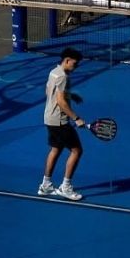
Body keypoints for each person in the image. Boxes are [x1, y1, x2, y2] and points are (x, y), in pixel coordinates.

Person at [38, 48, 88, 201]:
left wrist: (70, 95)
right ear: (67, 60)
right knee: (76, 151)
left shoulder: (54, 72)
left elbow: (49, 92)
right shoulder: (63, 77)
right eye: (75, 63)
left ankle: (46, 185)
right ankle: (65, 187)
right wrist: (76, 118)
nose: (76, 66)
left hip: (49, 118)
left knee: (56, 149)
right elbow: (60, 102)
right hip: (60, 121)